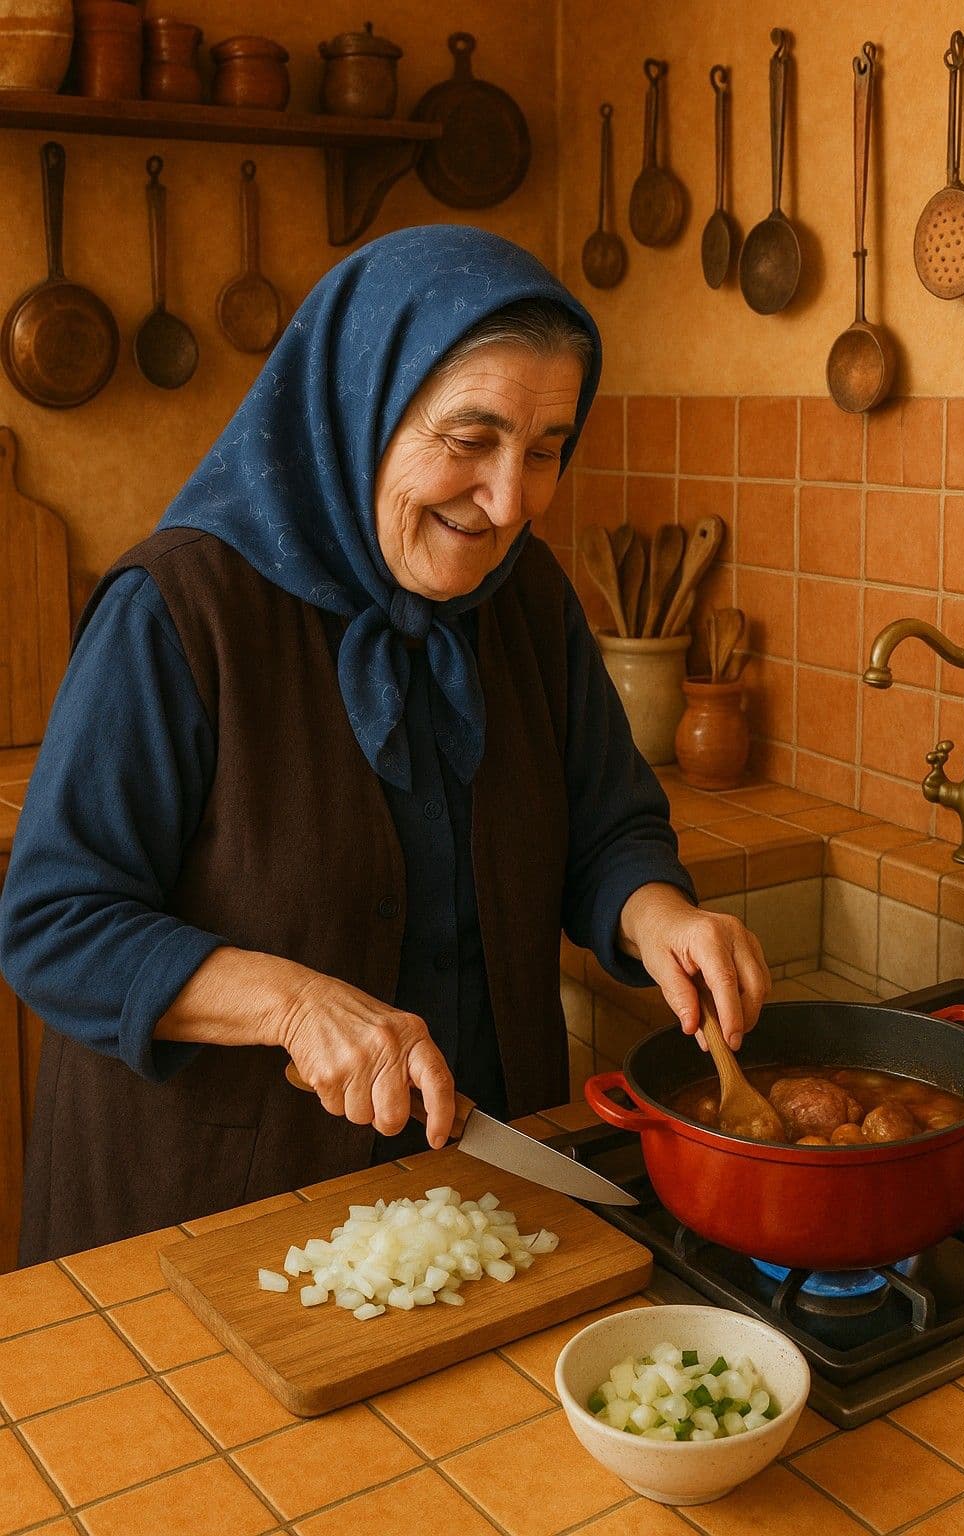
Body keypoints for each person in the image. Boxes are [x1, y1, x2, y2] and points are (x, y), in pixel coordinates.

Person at [0, 225, 770, 1266]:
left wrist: (658, 913)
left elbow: (606, 827)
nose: (511, 501)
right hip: (211, 1208)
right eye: (470, 439)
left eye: (546, 450)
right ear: (357, 412)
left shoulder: (529, 599)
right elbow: (53, 923)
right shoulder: (180, 609)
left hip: (473, 1195)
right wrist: (290, 1004)